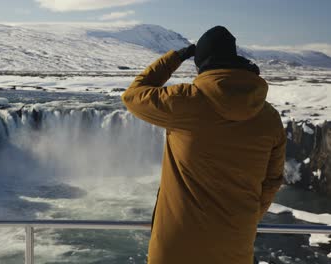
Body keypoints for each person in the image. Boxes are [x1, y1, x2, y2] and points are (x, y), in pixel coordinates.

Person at [122, 26, 285, 264]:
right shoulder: (269, 117)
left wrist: (174, 57)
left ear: (200, 65)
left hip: (176, 246)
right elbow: (272, 181)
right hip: (236, 242)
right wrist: (244, 219)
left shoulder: (185, 101)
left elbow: (133, 95)